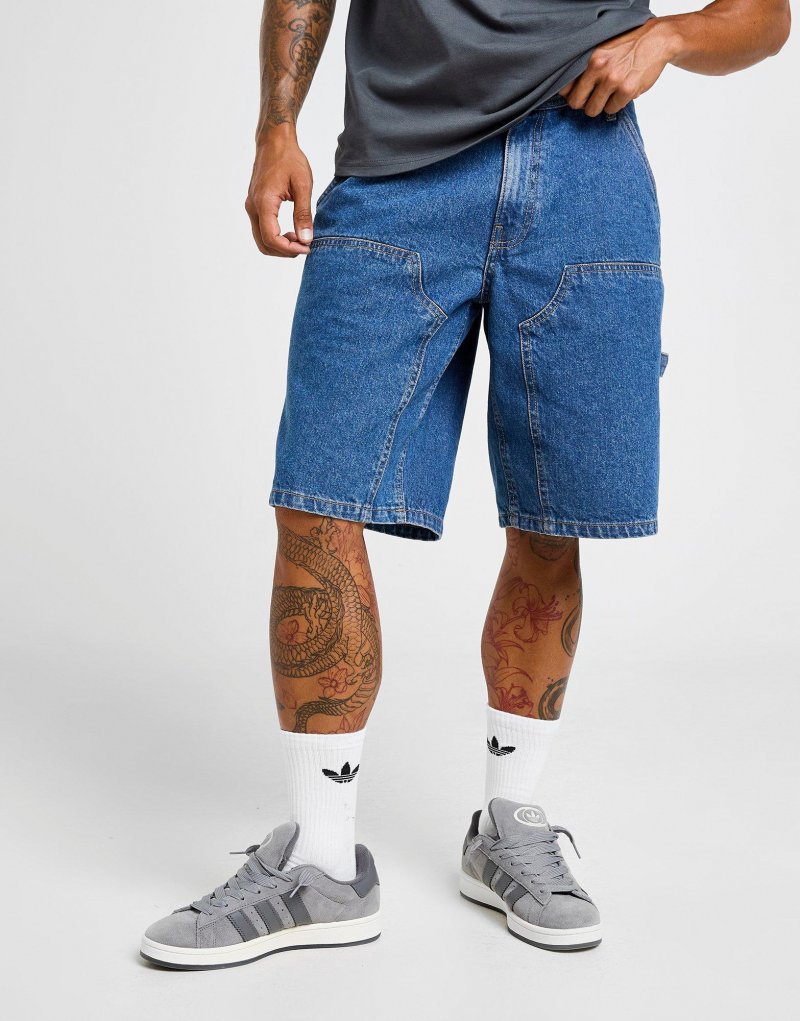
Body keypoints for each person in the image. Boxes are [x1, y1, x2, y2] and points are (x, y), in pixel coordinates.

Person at [141, 0, 790, 969]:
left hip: (585, 164)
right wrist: (277, 125)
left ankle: (508, 823)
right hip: (398, 166)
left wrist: (667, 38)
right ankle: (318, 859)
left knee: (550, 517)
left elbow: (765, 17)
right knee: (318, 494)